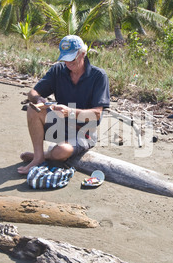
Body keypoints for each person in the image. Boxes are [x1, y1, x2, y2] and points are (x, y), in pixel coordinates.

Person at [18, 35, 110, 175]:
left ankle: (47, 155)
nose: (68, 63)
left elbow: (96, 115)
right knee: (32, 109)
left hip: (84, 132)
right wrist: (38, 99)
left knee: (61, 152)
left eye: (72, 58)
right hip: (60, 125)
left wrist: (71, 112)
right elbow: (32, 92)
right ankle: (38, 158)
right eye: (65, 59)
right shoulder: (58, 71)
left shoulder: (99, 76)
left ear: (83, 54)